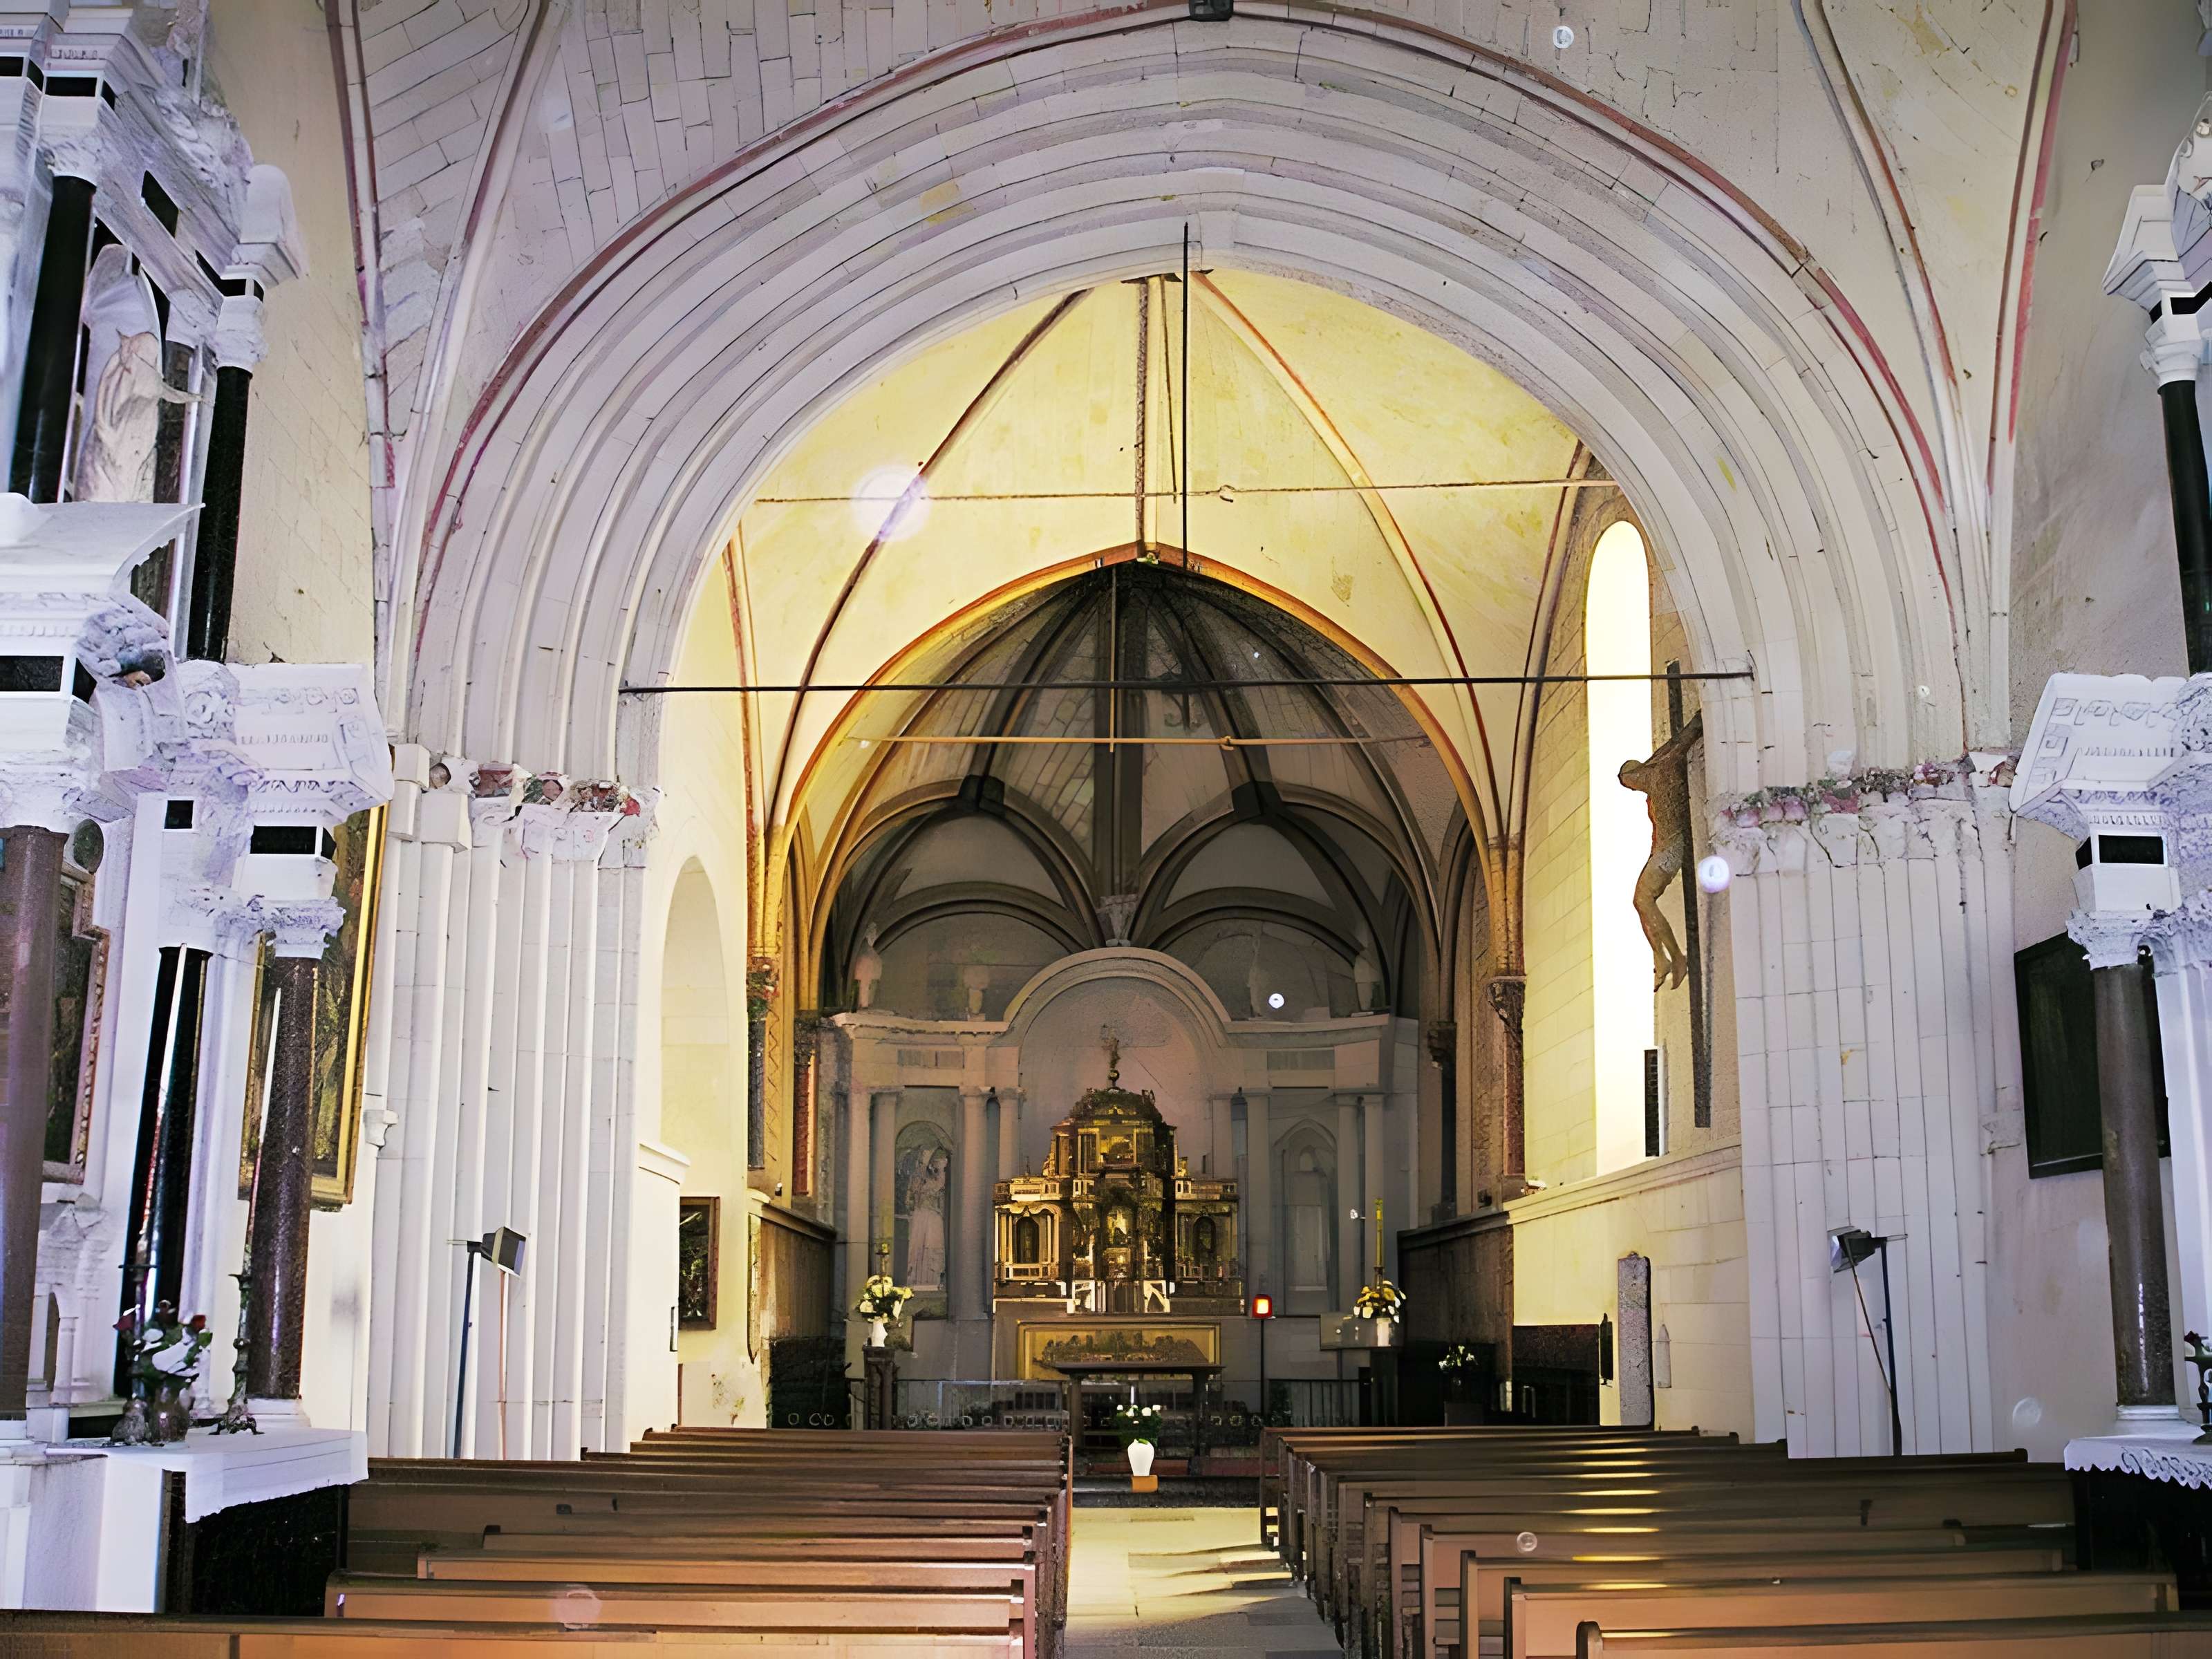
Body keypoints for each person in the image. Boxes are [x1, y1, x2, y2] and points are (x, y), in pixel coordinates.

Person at [1615, 713, 1702, 989]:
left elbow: (1677, 744)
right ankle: (1665, 958)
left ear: (1633, 775)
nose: (1633, 788)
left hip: (1674, 847)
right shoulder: (1656, 774)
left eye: (1629, 784)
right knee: (1641, 901)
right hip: (1664, 848)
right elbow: (1670, 748)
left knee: (1643, 898)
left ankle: (1673, 958)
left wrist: (1695, 725)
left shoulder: (1659, 773)